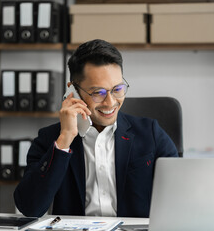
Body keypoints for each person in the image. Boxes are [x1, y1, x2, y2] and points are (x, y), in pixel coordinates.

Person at [14, 39, 178, 218]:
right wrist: (65, 139)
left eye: (117, 89)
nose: (110, 102)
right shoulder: (51, 139)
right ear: (73, 92)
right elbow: (30, 207)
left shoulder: (150, 133)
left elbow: (181, 194)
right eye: (98, 93)